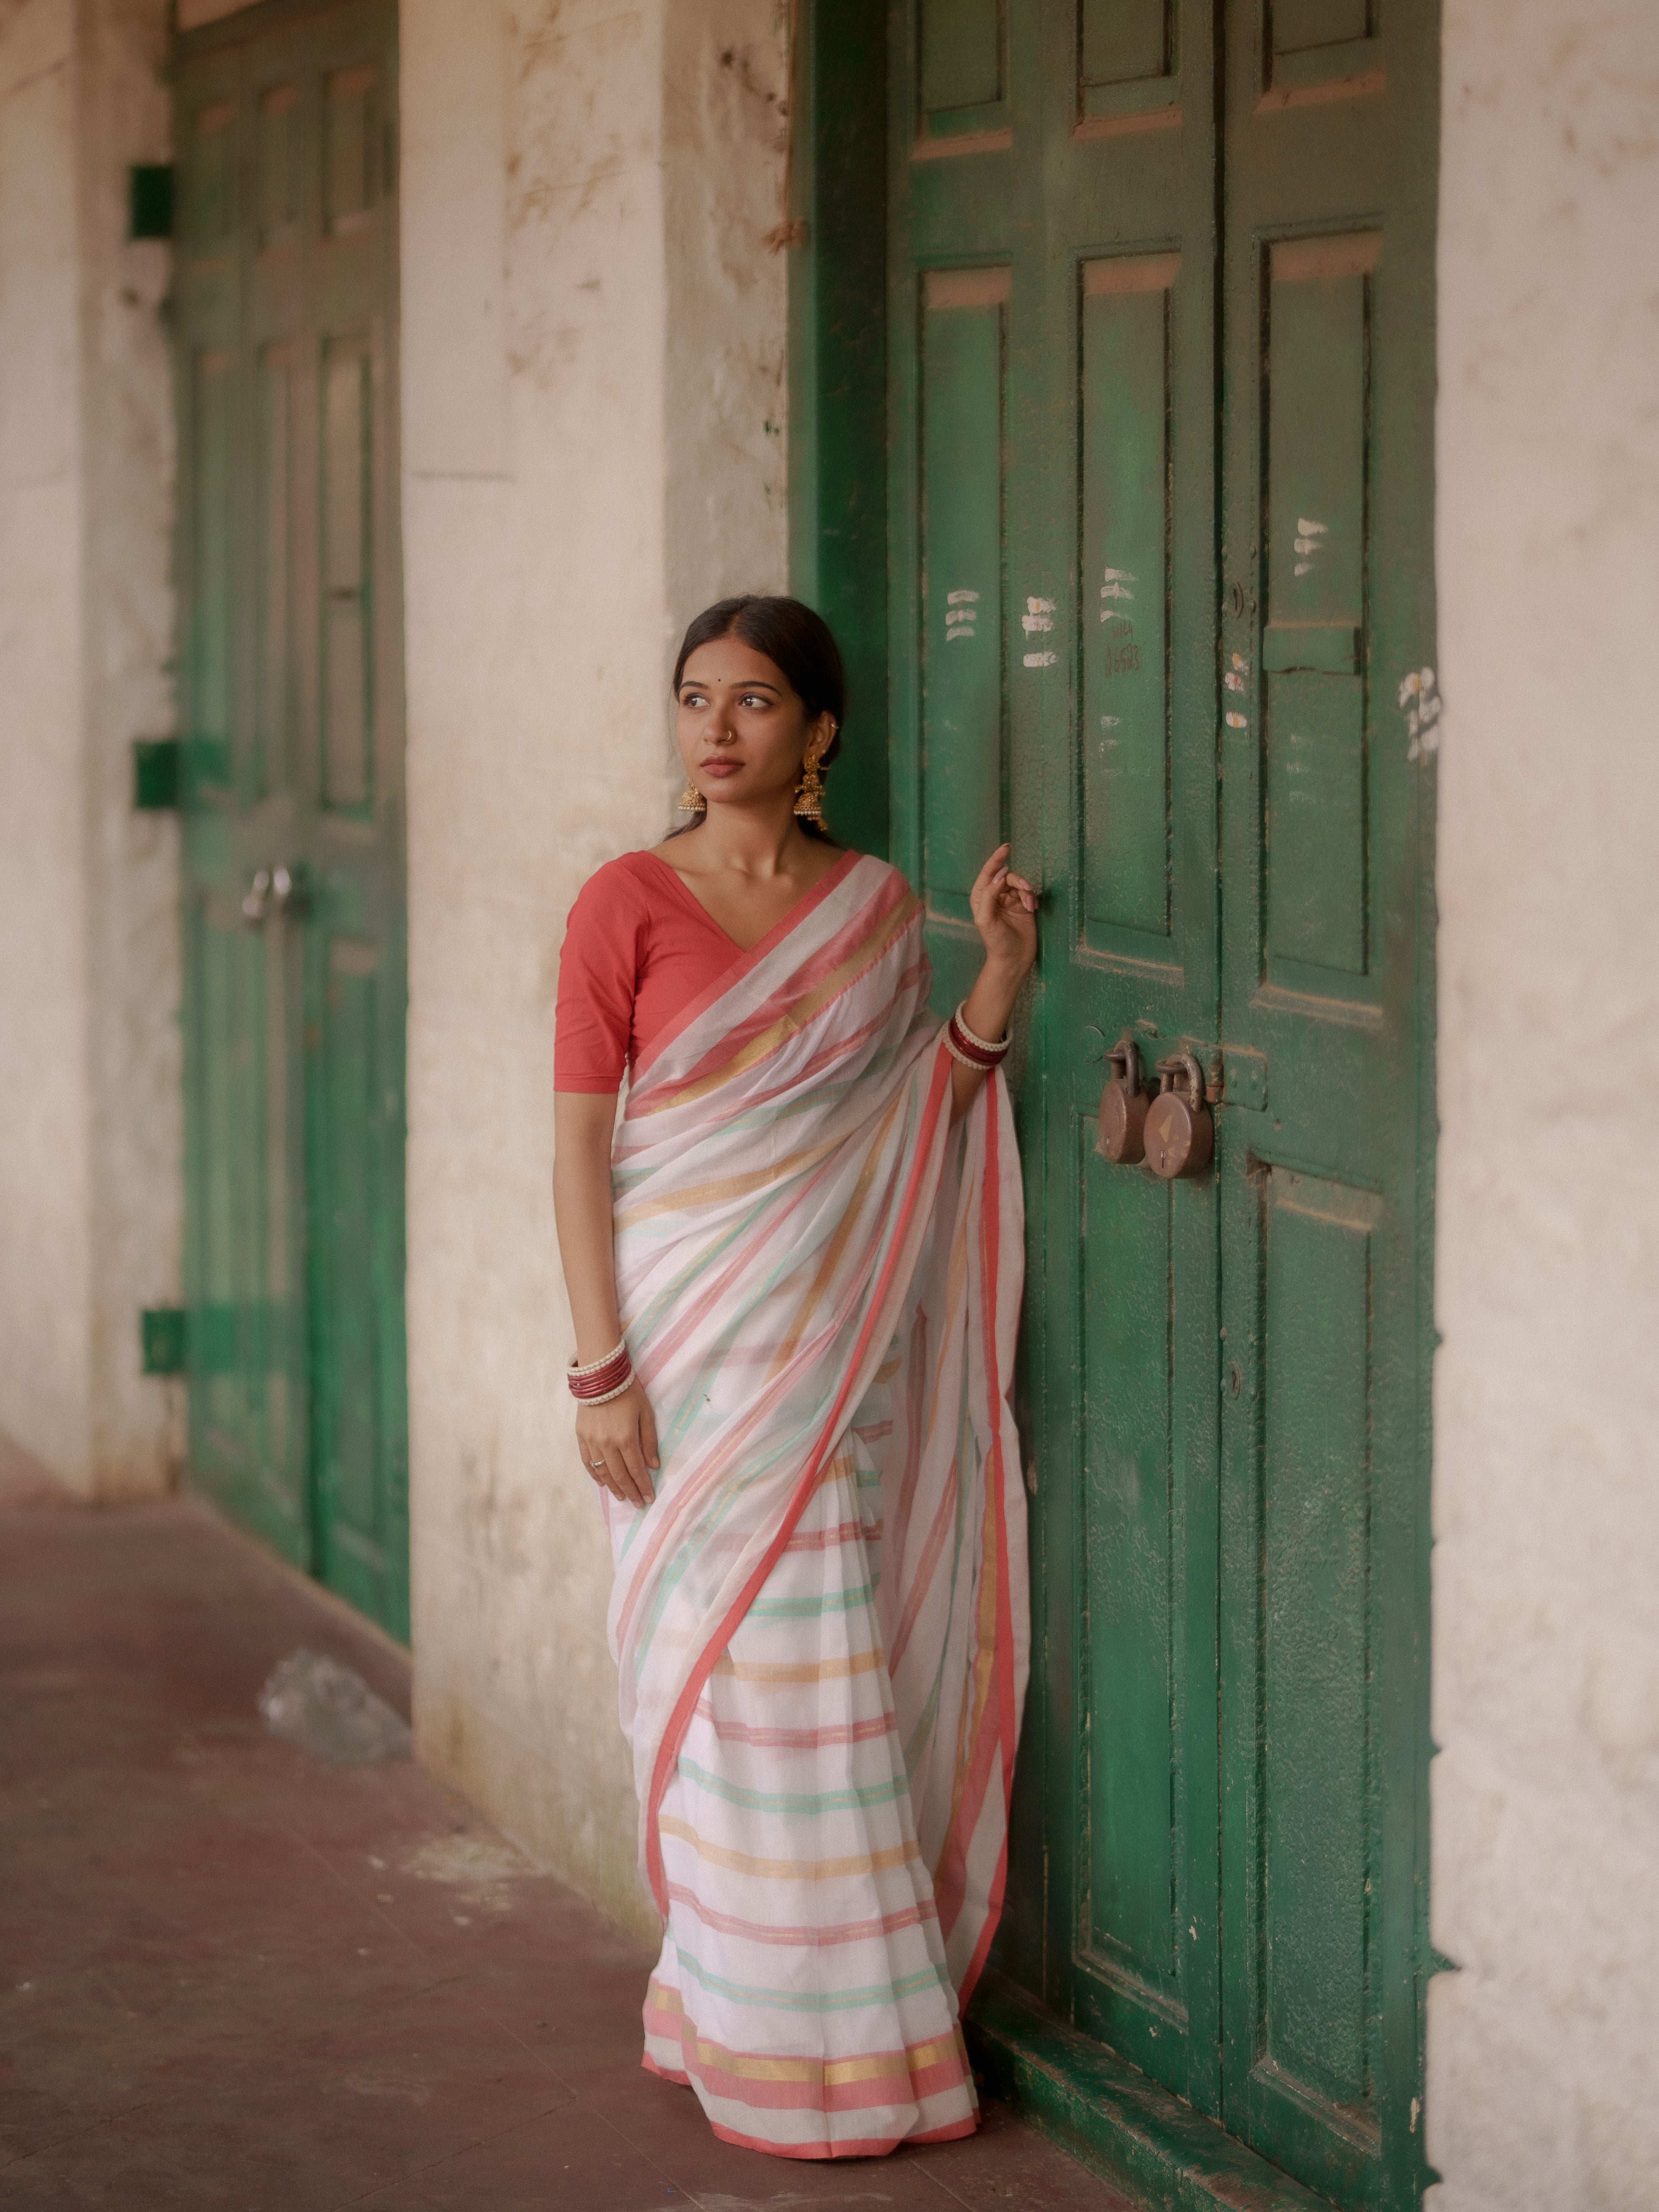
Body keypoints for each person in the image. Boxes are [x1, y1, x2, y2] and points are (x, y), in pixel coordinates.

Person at [551, 594, 1036, 2158]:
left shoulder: (880, 910)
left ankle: (847, 2039)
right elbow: (577, 1145)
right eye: (695, 697)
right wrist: (600, 1367)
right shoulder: (622, 902)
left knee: (826, 1696)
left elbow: (906, 1124)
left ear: (818, 732)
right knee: (717, 1704)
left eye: (753, 700)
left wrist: (998, 987)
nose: (715, 729)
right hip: (685, 1368)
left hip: (829, 1372)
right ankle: (742, 2019)